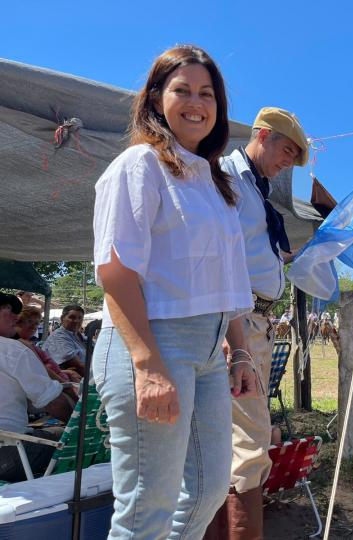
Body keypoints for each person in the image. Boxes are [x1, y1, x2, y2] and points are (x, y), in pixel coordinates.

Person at [92, 45, 255, 540]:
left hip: (209, 350)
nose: (195, 102)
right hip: (153, 340)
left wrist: (241, 350)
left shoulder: (215, 181)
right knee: (147, 508)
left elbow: (226, 278)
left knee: (207, 491)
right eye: (181, 90)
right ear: (156, 98)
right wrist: (147, 365)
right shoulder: (140, 165)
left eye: (207, 93)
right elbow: (115, 272)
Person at [205, 106, 308, 539]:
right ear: (261, 136)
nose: (288, 162)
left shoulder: (256, 190)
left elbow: (253, 253)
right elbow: (215, 255)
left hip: (253, 321)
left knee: (232, 438)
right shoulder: (225, 177)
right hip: (237, 321)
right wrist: (233, 334)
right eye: (286, 150)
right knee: (247, 440)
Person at [0, 293, 73, 482]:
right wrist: (78, 422)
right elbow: (53, 402)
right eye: (9, 309)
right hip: (8, 455)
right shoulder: (12, 350)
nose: (16, 316)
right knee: (70, 437)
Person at [41, 304, 87, 376]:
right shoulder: (59, 337)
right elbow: (78, 365)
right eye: (72, 317)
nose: (76, 321)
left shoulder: (80, 336)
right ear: (62, 318)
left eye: (80, 318)